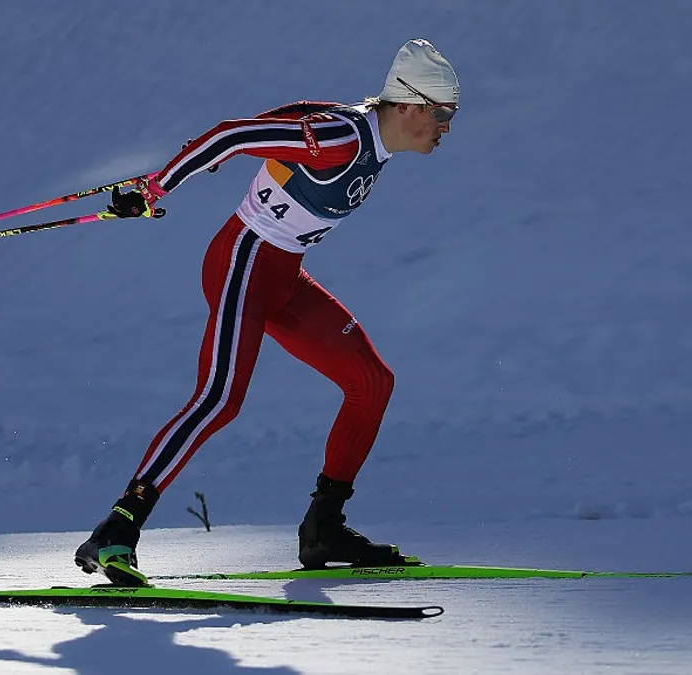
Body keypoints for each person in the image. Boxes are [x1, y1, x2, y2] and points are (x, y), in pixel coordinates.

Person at [74, 39, 461, 586]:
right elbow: (233, 136)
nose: (446, 126)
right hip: (243, 261)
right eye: (442, 113)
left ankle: (324, 527)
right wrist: (153, 187)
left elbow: (279, 120)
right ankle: (119, 526)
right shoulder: (342, 135)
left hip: (283, 277)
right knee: (219, 399)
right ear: (410, 105)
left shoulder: (365, 135)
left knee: (371, 382)